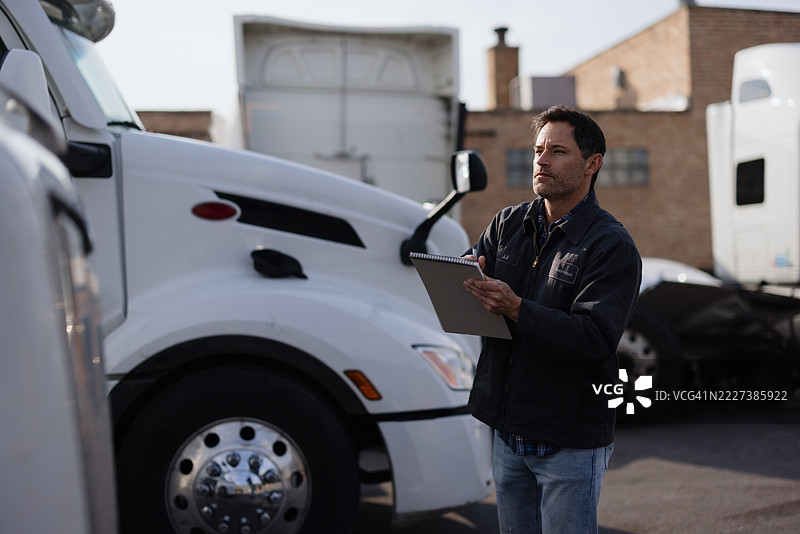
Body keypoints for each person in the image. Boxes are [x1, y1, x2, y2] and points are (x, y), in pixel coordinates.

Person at [463, 106, 642, 534]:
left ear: (591, 164)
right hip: (508, 435)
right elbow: (476, 283)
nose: (541, 160)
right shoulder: (507, 224)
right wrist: (464, 278)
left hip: (569, 442)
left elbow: (593, 338)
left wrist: (516, 307)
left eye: (558, 151)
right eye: (539, 149)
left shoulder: (610, 245)